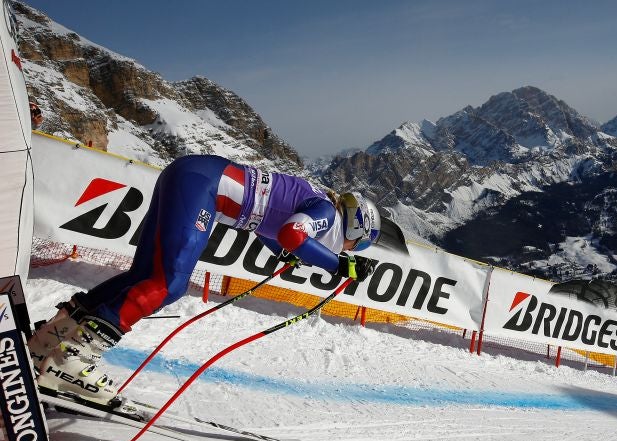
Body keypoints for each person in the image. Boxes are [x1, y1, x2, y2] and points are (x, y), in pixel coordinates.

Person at [27, 154, 379, 408]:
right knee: (170, 284)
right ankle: (70, 361)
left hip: (192, 175)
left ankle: (48, 341)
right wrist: (338, 265)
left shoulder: (318, 201)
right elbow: (293, 233)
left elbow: (272, 229)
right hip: (203, 185)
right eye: (356, 245)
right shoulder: (326, 212)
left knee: (144, 275)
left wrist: (288, 252)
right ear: (355, 228)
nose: (349, 248)